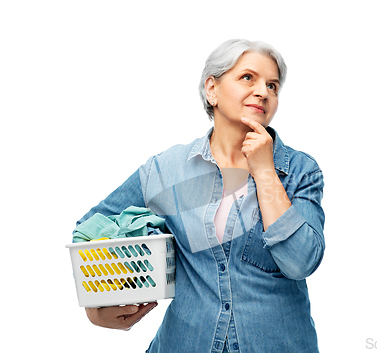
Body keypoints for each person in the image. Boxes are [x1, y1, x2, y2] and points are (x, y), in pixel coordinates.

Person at [76, 39, 325, 353]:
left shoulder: (300, 171)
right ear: (213, 90)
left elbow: (301, 261)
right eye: (248, 77)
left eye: (273, 85)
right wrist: (99, 306)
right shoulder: (167, 170)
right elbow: (90, 232)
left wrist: (264, 171)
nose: (263, 91)